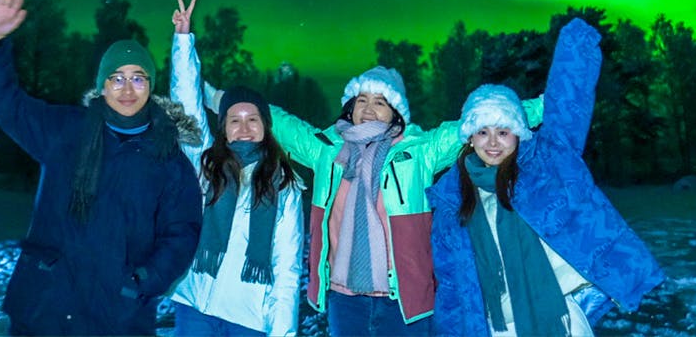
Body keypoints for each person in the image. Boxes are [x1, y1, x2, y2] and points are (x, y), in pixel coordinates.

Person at [205, 56, 542, 336]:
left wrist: (544, 107)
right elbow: (275, 120)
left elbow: (483, 116)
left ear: (396, 112)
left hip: (404, 299)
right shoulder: (326, 149)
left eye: (380, 102)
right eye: (361, 100)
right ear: (350, 107)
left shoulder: (419, 152)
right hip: (344, 298)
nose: (368, 108)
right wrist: (221, 99)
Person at [0, 0, 203, 336]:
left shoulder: (169, 160)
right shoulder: (66, 131)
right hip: (44, 309)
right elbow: (8, 103)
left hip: (116, 318)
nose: (127, 89)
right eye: (117, 78)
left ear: (149, 86)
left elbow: (182, 234)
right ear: (102, 85)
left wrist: (140, 282)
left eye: (138, 78)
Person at [427, 18, 665, 337]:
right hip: (494, 325)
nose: (493, 142)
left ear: (519, 134)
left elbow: (568, 105)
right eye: (483, 132)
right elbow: (451, 282)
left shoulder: (545, 166)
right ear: (469, 138)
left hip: (560, 315)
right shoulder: (451, 200)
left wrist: (575, 44)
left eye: (503, 131)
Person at [168, 0, 305, 337]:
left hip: (249, 319)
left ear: (265, 126)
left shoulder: (283, 185)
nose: (244, 127)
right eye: (234, 119)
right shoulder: (205, 165)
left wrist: (283, 332)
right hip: (195, 306)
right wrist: (183, 40)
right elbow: (186, 104)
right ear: (223, 128)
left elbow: (287, 268)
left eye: (252, 119)